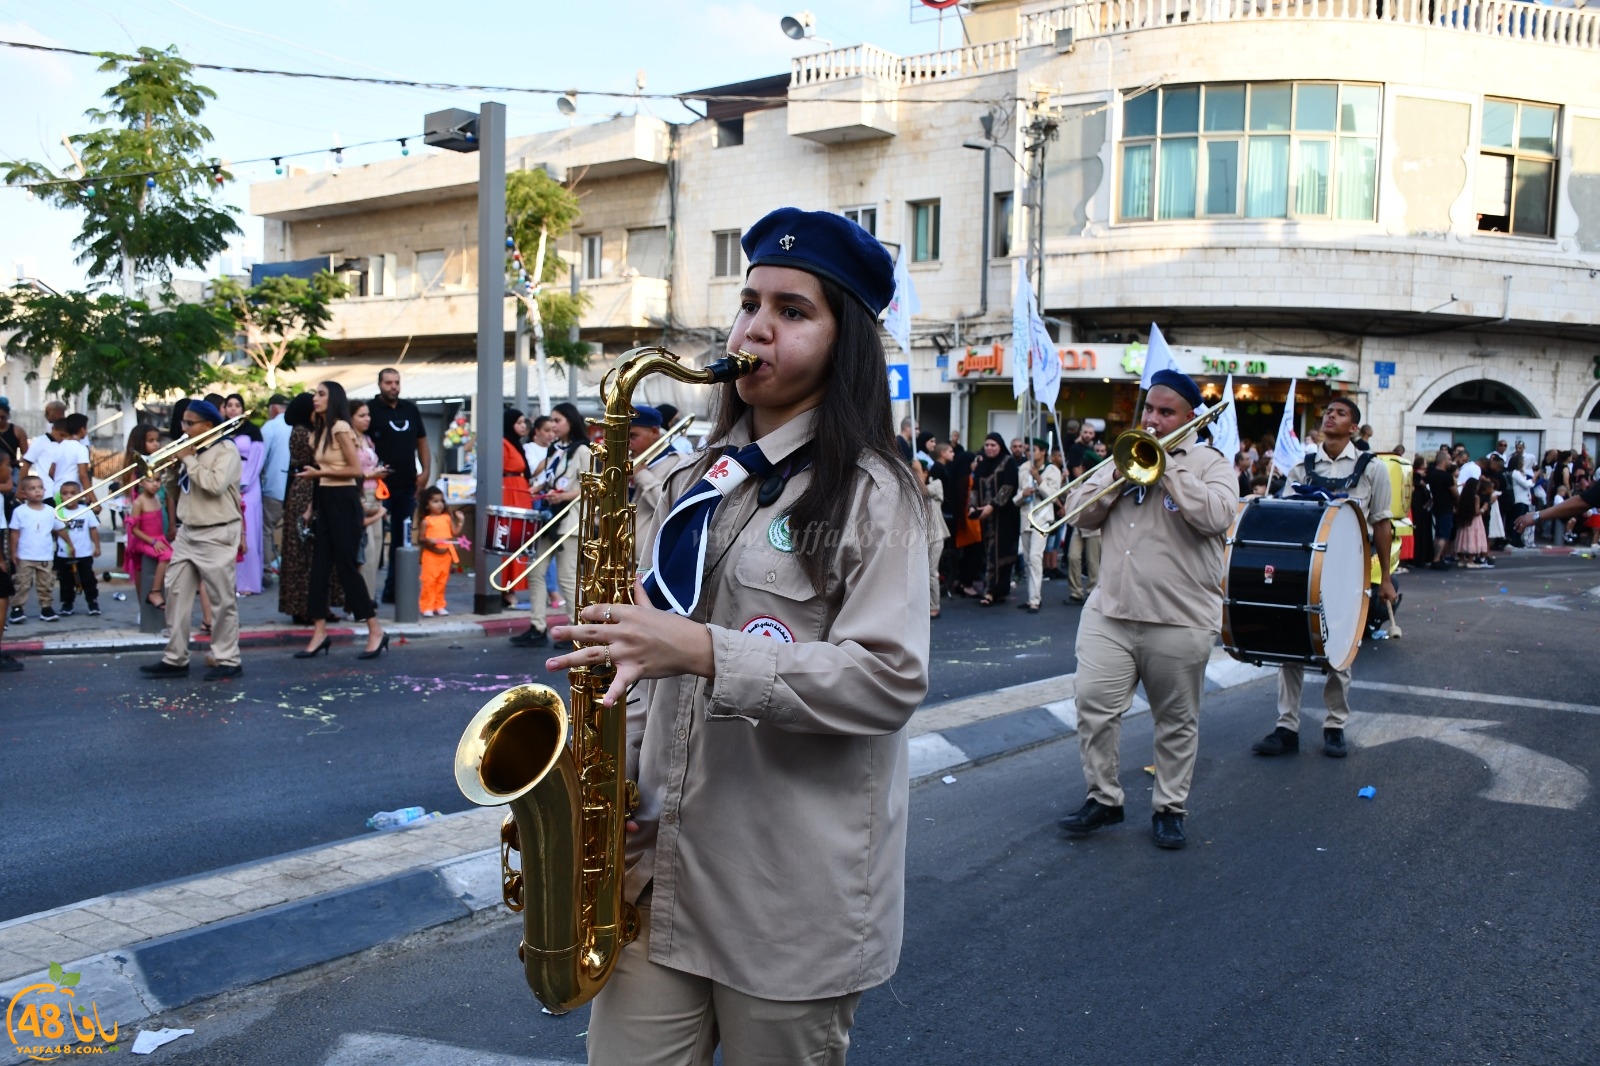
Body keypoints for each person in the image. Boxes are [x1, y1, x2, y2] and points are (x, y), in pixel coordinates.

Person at [544, 206, 929, 1065]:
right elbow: (637, 662)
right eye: (750, 301)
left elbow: (890, 682)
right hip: (661, 880)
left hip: (790, 904)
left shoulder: (879, 494)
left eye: (794, 311)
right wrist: (611, 789)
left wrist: (706, 651)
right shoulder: (690, 480)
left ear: (846, 342)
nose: (758, 327)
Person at [1057, 369, 1237, 850]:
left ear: (1190, 418)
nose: (1153, 421)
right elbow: (1078, 515)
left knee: (1176, 722)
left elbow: (1217, 517)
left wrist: (1167, 466)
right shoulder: (1120, 454)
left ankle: (1169, 807)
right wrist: (1117, 476)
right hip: (1110, 610)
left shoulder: (1209, 463)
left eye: (1166, 412)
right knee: (1093, 706)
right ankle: (1104, 798)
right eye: (1149, 411)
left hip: (1179, 615)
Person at [1251, 396, 1396, 761]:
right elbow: (1286, 515)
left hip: (1348, 572)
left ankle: (1334, 726)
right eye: (1328, 412)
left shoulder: (1372, 469)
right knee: (1291, 646)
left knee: (1340, 651)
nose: (1331, 416)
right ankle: (1287, 728)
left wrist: (1387, 579)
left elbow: (1381, 524)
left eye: (1340, 413)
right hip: (1303, 568)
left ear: (1354, 428)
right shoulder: (1303, 465)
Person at [139, 401, 244, 681]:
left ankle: (228, 658)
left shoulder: (227, 450)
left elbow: (214, 485)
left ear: (208, 426)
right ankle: (175, 658)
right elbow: (178, 491)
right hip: (188, 532)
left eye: (190, 423)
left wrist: (187, 459)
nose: (183, 428)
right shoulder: (192, 453)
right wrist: (172, 470)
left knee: (221, 601)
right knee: (175, 595)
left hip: (217, 532)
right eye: (183, 422)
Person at [293, 382, 388, 660]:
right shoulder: (321, 430)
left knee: (346, 567)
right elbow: (322, 473)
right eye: (315, 394)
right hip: (325, 499)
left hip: (344, 501)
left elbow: (355, 470)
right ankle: (319, 633)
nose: (315, 398)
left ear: (333, 399)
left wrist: (317, 474)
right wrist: (311, 507)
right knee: (319, 568)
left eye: (321, 394)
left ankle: (375, 630)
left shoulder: (340, 428)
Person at [508, 402, 589, 650]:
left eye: (558, 420)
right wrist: (540, 488)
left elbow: (591, 487)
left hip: (570, 521)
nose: (553, 425)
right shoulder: (555, 449)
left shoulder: (583, 451)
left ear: (571, 422)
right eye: (551, 421)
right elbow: (552, 478)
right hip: (549, 518)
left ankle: (577, 632)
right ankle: (537, 626)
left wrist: (563, 496)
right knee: (535, 571)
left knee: (567, 577)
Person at [279, 393, 344, 625]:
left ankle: (319, 606)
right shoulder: (302, 432)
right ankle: (304, 607)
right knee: (304, 552)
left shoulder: (311, 430)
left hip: (314, 487)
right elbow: (317, 459)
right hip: (307, 490)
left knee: (318, 552)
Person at [369, 368, 431, 604]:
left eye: (396, 382)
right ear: (379, 384)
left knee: (402, 540)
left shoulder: (410, 409)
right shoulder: (370, 410)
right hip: (377, 487)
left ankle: (394, 590)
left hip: (407, 486)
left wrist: (425, 472)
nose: (393, 387)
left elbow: (422, 441)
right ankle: (368, 592)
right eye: (388, 383)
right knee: (373, 541)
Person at [6, 475, 68, 622]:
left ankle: (46, 608)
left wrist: (70, 544)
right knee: (22, 582)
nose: (37, 491)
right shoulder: (20, 511)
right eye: (32, 489)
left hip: (45, 555)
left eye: (40, 488)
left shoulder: (50, 511)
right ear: (24, 492)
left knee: (46, 583)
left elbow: (59, 529)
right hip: (25, 555)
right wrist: (13, 552)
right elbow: (14, 533)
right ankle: (17, 609)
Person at [224, 395, 266, 595]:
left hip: (248, 483)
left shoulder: (252, 430)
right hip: (225, 483)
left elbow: (258, 458)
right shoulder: (220, 430)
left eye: (237, 405)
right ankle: (228, 582)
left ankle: (248, 583)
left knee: (248, 530)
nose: (233, 409)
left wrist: (244, 482)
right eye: (229, 405)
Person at [972, 432, 1020, 606]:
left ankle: (992, 591)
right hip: (984, 517)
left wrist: (992, 506)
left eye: (993, 445)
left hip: (1003, 516)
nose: (990, 448)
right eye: (987, 445)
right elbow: (975, 488)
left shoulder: (1008, 462)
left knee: (999, 553)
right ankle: (994, 589)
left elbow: (1008, 487)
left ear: (1000, 446)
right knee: (987, 552)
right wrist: (972, 506)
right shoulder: (982, 464)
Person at [350, 401, 387, 600]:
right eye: (361, 415)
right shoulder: (349, 440)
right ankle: (358, 600)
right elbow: (351, 472)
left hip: (376, 494)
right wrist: (371, 474)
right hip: (360, 493)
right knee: (366, 549)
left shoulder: (367, 439)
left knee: (377, 547)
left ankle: (370, 597)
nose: (367, 419)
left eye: (368, 415)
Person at [1017, 439, 1060, 614]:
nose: (1029, 453)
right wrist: (1022, 494)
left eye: (1033, 449)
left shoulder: (1052, 470)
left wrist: (1038, 479)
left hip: (1042, 519)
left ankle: (1035, 599)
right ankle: (1030, 597)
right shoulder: (1023, 467)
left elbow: (1053, 495)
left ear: (1043, 451)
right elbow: (1017, 496)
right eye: (1028, 450)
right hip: (1026, 517)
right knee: (1027, 559)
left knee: (1035, 556)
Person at [500, 408, 534, 606]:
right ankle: (506, 588)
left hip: (518, 492)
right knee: (509, 541)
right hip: (510, 493)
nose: (523, 426)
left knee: (518, 542)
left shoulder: (516, 444)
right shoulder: (504, 443)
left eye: (524, 422)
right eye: (519, 422)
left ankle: (511, 587)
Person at [125, 477, 174, 613]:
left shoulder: (157, 498)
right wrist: (153, 542)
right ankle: (154, 592)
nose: (155, 484)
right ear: (141, 483)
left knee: (175, 557)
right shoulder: (139, 502)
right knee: (166, 556)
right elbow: (135, 530)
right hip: (144, 541)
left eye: (157, 480)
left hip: (159, 538)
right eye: (150, 481)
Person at [53, 480, 100, 616]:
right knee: (66, 580)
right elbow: (56, 531)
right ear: (60, 496)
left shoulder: (85, 511)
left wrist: (97, 546)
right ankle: (67, 603)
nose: (69, 496)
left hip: (84, 553)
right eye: (65, 493)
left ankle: (92, 601)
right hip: (64, 553)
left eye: (73, 493)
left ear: (80, 495)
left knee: (88, 578)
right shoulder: (59, 513)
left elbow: (93, 529)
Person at [259, 393, 291, 569]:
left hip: (274, 486)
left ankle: (266, 567)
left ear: (274, 409)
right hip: (296, 487)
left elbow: (260, 459)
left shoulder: (270, 427)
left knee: (267, 528)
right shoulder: (298, 425)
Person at [416, 486, 460, 616]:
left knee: (442, 581)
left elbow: (454, 532)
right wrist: (431, 540)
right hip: (431, 556)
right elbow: (421, 538)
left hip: (445, 555)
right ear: (427, 505)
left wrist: (461, 522)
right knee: (429, 581)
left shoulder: (446, 517)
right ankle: (427, 606)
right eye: (435, 501)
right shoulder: (426, 521)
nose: (439, 504)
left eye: (441, 501)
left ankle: (439, 604)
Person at [915, 455, 946, 619]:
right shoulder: (911, 486)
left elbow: (923, 491)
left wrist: (919, 471)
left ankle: (934, 605)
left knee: (932, 572)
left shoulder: (936, 484)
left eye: (917, 472)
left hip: (935, 536)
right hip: (918, 537)